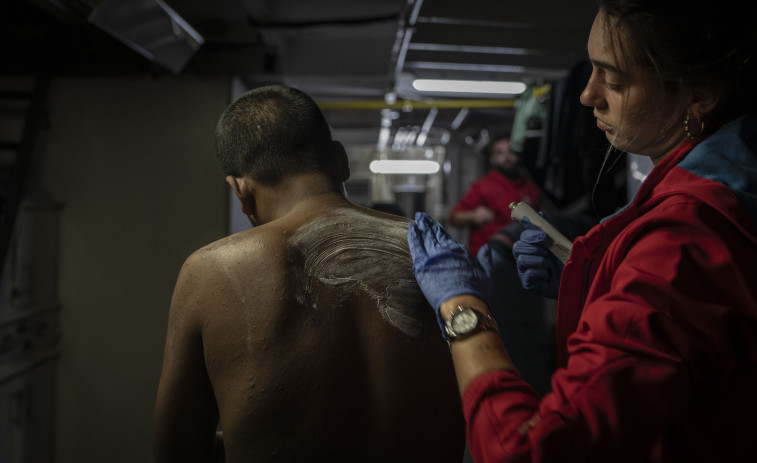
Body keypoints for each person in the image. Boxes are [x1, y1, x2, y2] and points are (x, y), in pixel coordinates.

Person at [408, 0, 757, 461]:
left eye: (613, 79)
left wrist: (463, 308)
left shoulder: (685, 236)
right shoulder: (733, 181)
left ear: (700, 94)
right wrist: (597, 279)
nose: (587, 95)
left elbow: (528, 449)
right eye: (592, 71)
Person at [153, 85, 465, 462]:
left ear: (241, 191)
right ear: (341, 159)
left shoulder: (211, 271)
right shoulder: (435, 253)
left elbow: (177, 451)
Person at [449, 137, 540, 256]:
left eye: (511, 152)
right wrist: (473, 215)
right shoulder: (482, 187)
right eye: (500, 153)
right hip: (487, 257)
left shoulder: (530, 188)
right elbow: (454, 218)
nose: (507, 158)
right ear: (492, 159)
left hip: (521, 257)